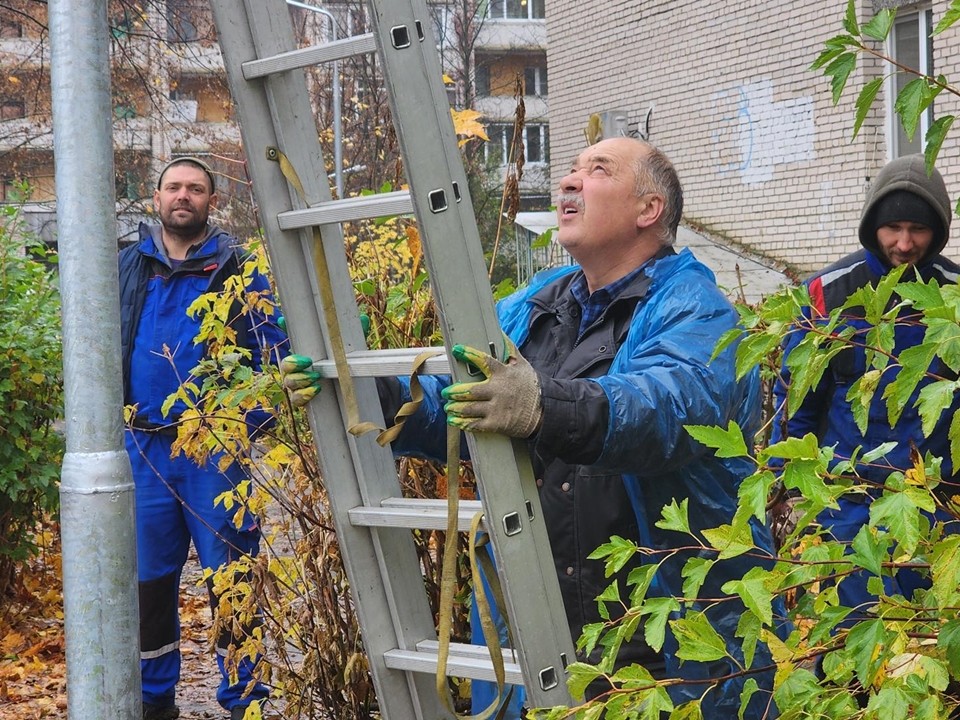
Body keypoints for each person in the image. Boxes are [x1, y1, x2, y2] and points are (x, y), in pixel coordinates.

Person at [283, 137, 780, 718]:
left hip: (664, 636)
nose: (570, 181)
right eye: (570, 170)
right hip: (541, 624)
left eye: (597, 171)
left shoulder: (695, 309)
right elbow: (462, 400)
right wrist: (368, 389)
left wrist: (544, 404)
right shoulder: (532, 305)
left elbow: (667, 406)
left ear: (650, 211)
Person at [119, 157, 286, 720]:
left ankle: (246, 701)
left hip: (215, 450)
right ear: (156, 197)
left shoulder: (237, 268)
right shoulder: (127, 267)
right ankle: (153, 699)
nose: (183, 196)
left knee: (232, 576)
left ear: (212, 200)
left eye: (195, 188)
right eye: (173, 187)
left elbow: (274, 351)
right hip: (142, 448)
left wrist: (250, 422)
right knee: (147, 581)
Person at [771, 153, 960, 621]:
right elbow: (795, 406)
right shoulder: (828, 294)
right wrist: (787, 493)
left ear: (938, 230)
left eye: (918, 229)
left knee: (931, 651)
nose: (904, 242)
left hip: (939, 507)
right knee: (850, 652)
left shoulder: (955, 295)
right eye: (892, 226)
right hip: (847, 508)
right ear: (871, 223)